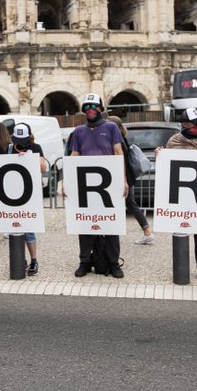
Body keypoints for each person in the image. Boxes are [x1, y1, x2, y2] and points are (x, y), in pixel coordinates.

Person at [67, 93, 126, 278]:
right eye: (86, 107)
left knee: (111, 224)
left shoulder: (111, 127)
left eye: (93, 106)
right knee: (84, 224)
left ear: (100, 108)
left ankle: (114, 262)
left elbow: (118, 152)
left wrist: (123, 180)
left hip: (108, 184)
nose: (89, 110)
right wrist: (68, 182)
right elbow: (74, 155)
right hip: (86, 184)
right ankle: (84, 261)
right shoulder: (78, 131)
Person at [157, 108, 197, 280]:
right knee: (181, 228)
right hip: (181, 193)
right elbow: (168, 164)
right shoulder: (174, 141)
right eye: (195, 123)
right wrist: (160, 155)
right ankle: (180, 264)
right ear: (185, 125)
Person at [6, 122, 47, 275]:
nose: (20, 143)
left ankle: (34, 261)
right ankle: (19, 259)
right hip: (11, 193)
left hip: (29, 194)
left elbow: (44, 169)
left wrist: (30, 158)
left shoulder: (36, 148)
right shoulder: (9, 149)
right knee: (14, 227)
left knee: (29, 229)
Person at [107, 116, 155, 245]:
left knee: (128, 205)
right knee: (131, 205)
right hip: (127, 177)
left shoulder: (117, 141)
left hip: (122, 178)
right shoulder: (123, 139)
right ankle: (147, 231)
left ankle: (147, 231)